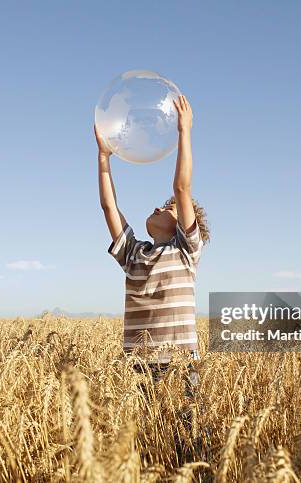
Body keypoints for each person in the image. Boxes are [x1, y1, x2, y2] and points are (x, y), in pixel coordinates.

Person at [95, 95, 209, 405]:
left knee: (187, 440)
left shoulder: (187, 252)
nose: (160, 207)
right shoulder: (133, 254)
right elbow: (108, 207)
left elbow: (182, 189)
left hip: (181, 363)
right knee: (144, 444)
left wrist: (185, 131)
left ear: (185, 223)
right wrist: (103, 156)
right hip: (139, 366)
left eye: (170, 209)